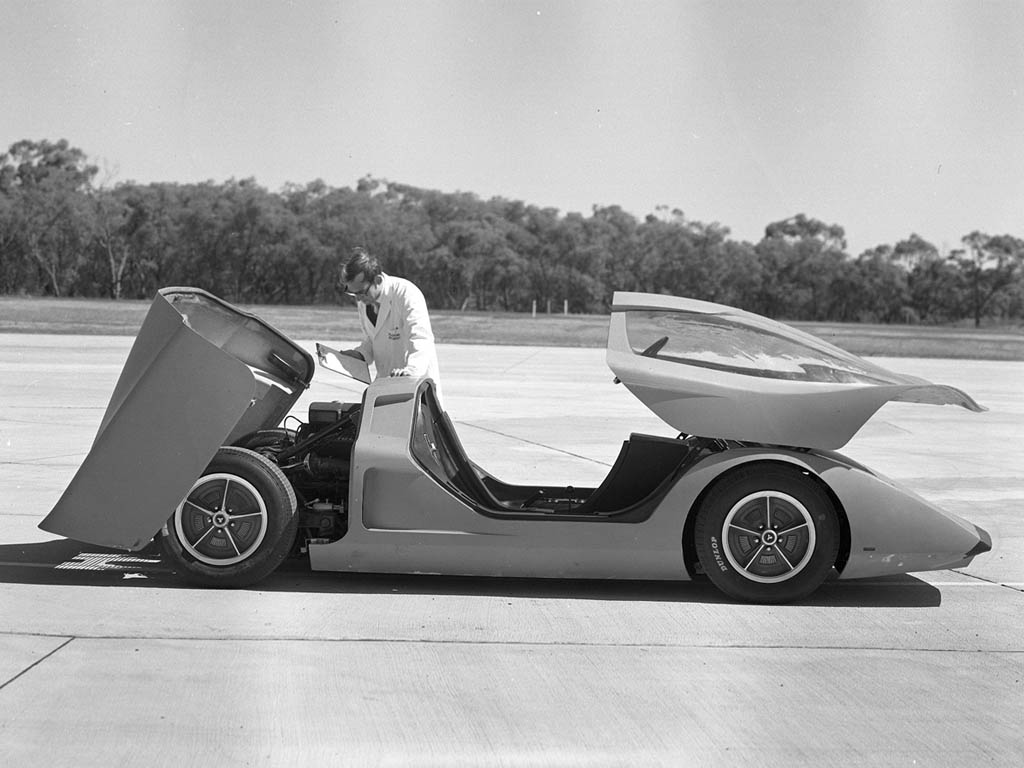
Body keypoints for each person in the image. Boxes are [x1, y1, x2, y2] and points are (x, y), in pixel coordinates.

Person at [336, 247, 443, 404]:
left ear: (378, 281)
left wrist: (411, 370)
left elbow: (421, 338)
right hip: (386, 385)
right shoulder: (365, 301)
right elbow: (372, 340)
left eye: (361, 292)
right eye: (353, 294)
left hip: (415, 386)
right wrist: (359, 355)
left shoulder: (406, 294)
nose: (358, 299)